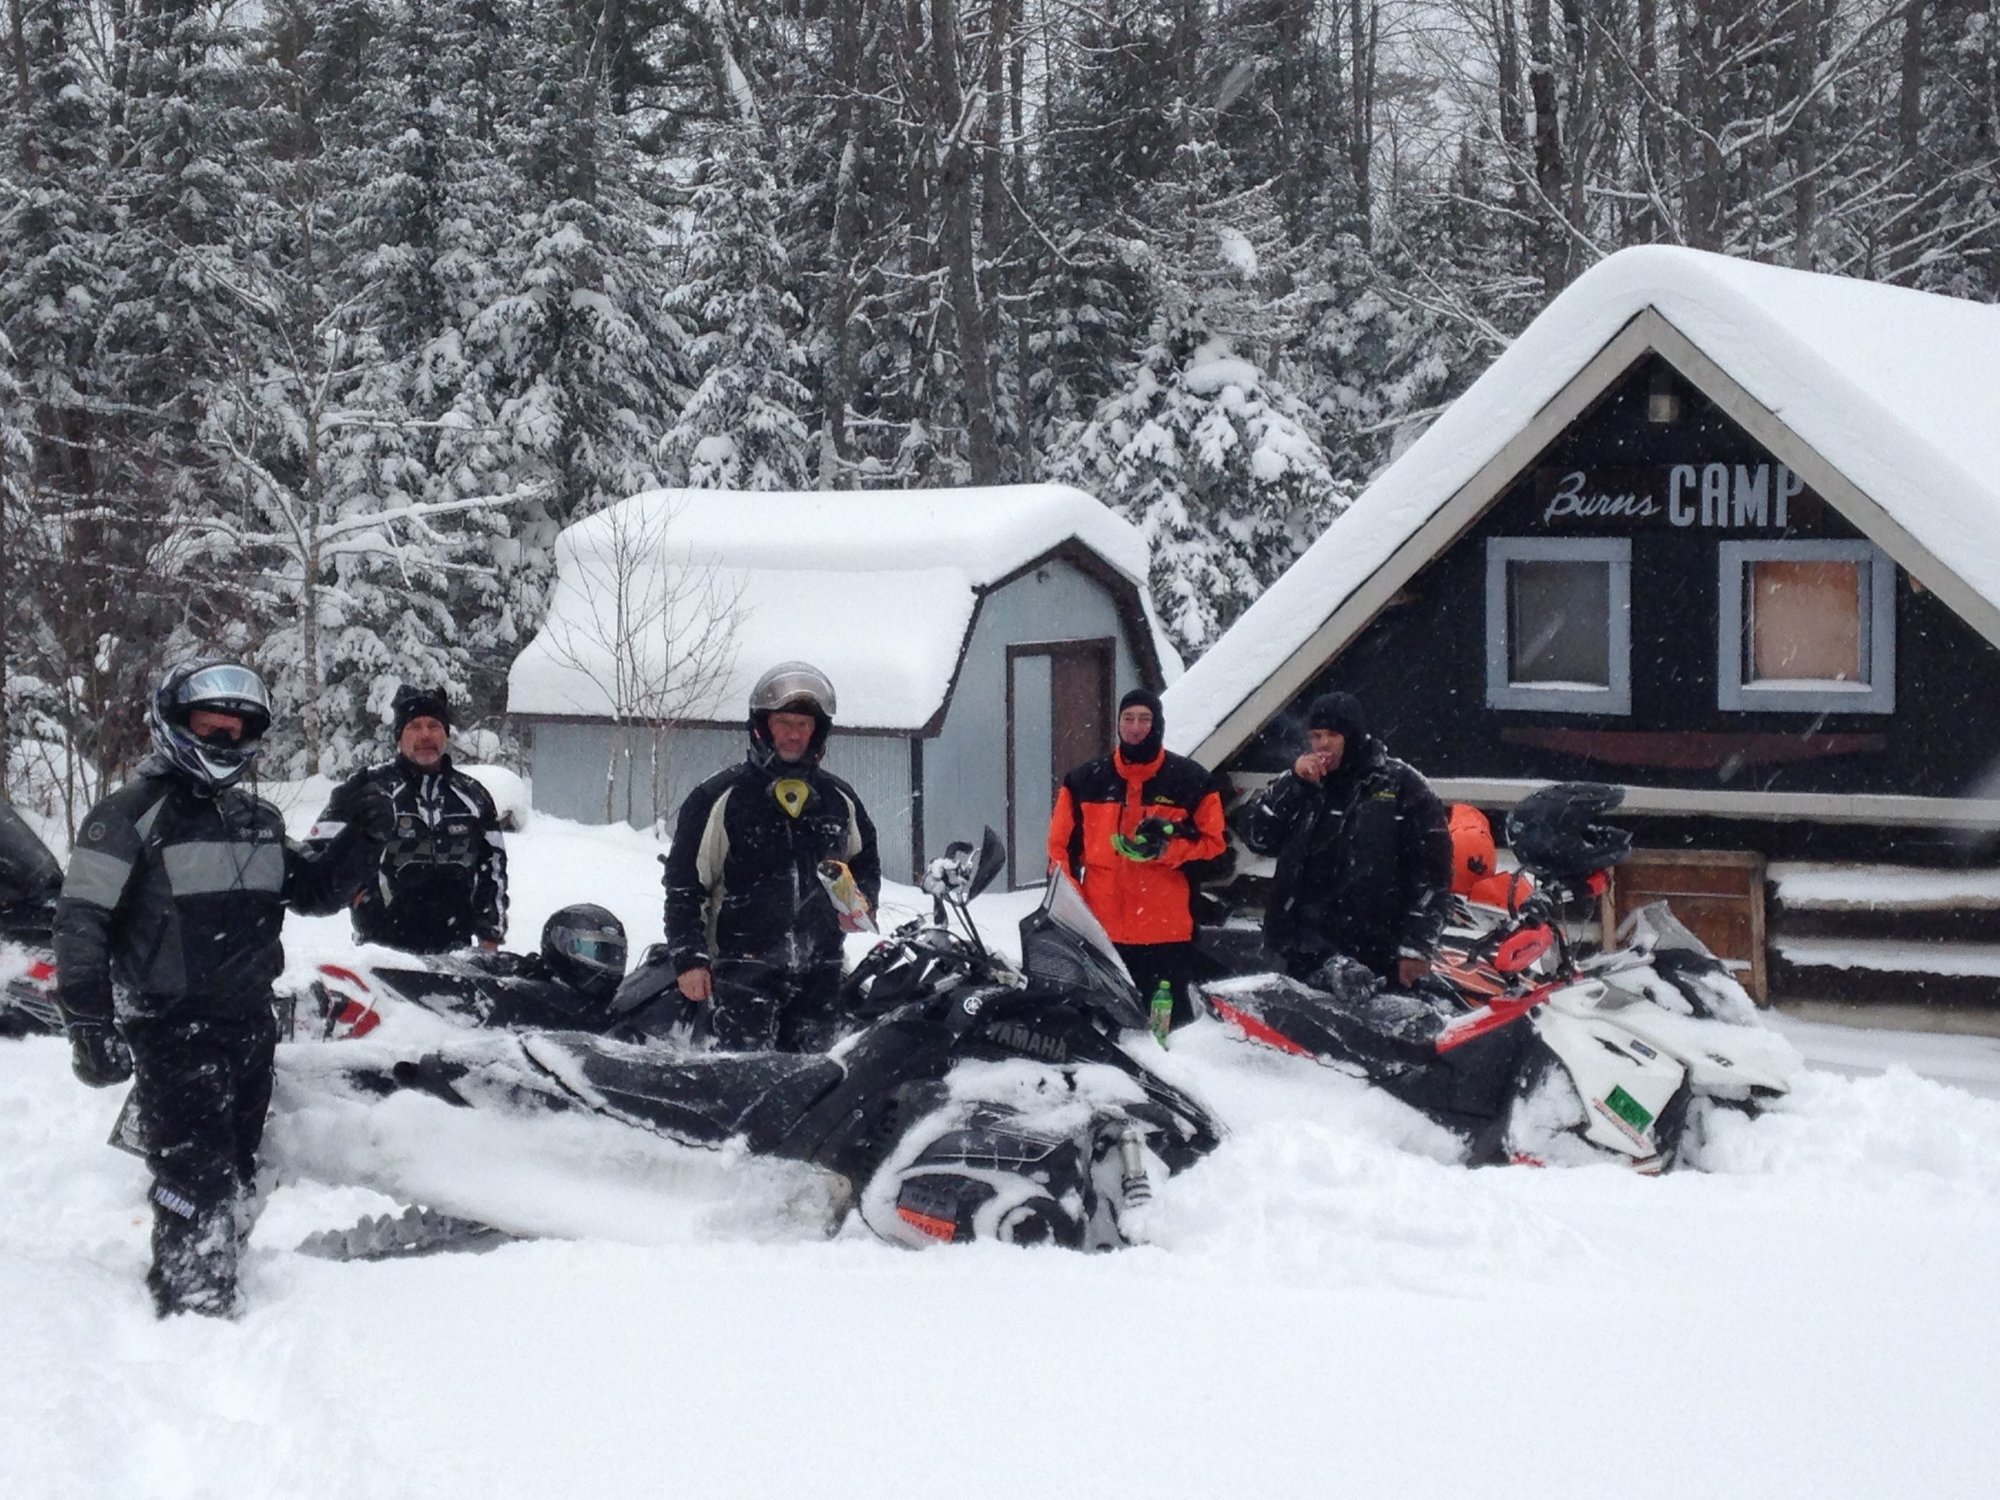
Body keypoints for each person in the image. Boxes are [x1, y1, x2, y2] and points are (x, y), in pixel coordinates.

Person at [55, 660, 391, 1317]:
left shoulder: (255, 818)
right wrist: (87, 1022)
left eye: (237, 732)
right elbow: (80, 921)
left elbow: (314, 891)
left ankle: (219, 1269)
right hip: (170, 1026)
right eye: (211, 727)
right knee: (196, 1173)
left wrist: (365, 835)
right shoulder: (127, 816)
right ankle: (194, 1300)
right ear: (175, 724)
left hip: (250, 1021)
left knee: (236, 1166)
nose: (224, 741)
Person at [662, 662, 881, 1051]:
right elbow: (684, 885)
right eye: (784, 723)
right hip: (740, 976)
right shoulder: (719, 798)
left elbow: (864, 864)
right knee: (743, 1081)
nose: (794, 735)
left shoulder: (839, 800)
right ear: (762, 726)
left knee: (817, 1083)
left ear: (817, 731)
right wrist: (690, 959)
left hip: (820, 977)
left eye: (803, 725)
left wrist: (862, 902)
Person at [1235, 691, 1453, 990]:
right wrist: (1293, 785)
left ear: (1353, 737)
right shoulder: (1301, 782)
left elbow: (1433, 874)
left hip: (1373, 951)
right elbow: (1258, 837)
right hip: (1298, 949)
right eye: (1316, 735)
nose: (1322, 744)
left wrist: (1416, 947)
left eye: (1333, 735)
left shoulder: (1400, 785)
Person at [1046, 687, 1226, 1028]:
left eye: (1144, 719)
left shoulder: (1191, 781)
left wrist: (1166, 850)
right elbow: (1060, 851)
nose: (1135, 727)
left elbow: (1215, 848)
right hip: (1101, 936)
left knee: (1168, 1033)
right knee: (1107, 1031)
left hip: (1166, 937)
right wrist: (1074, 906)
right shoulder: (1084, 781)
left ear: (1158, 724)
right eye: (1127, 718)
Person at [308, 683, 507, 955]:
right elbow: (315, 859)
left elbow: (493, 870)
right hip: (381, 954)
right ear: (399, 738)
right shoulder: (368, 788)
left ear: (446, 734)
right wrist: (355, 892)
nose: (425, 734)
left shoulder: (473, 796)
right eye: (414, 726)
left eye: (434, 726)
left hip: (456, 954)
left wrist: (490, 936)